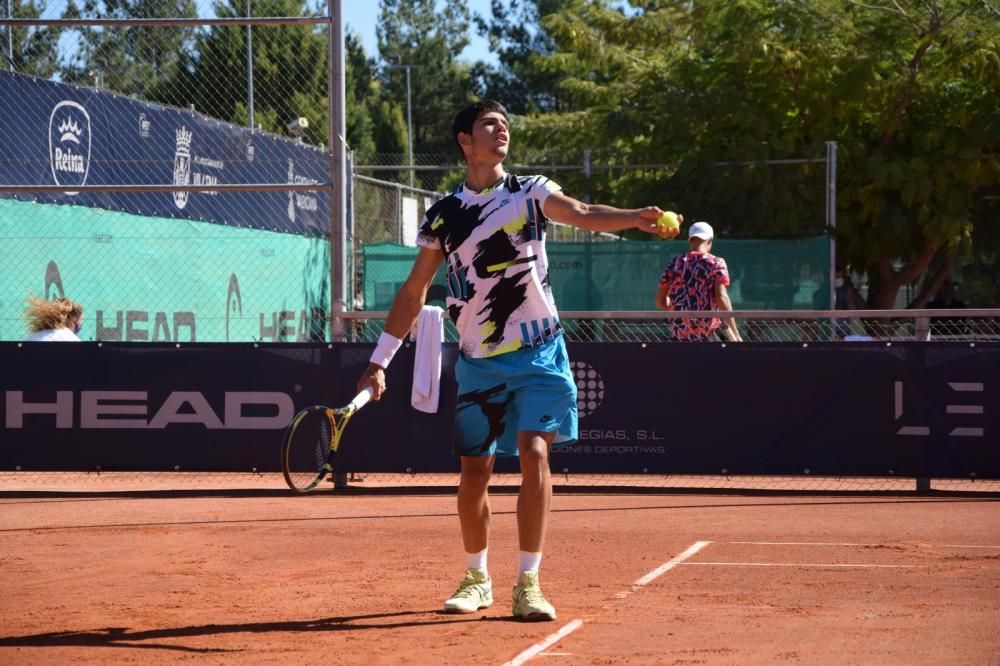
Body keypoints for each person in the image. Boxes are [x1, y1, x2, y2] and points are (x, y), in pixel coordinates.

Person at [356, 99, 676, 621]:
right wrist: (381, 360)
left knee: (534, 454)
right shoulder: (444, 214)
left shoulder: (530, 192)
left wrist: (635, 218)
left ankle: (528, 582)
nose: (500, 130)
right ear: (465, 139)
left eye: (505, 125)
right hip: (479, 360)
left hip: (541, 352)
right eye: (489, 124)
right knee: (475, 471)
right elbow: (414, 292)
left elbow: (583, 213)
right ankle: (476, 577)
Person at [655, 221, 742, 342]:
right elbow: (721, 298)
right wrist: (735, 333)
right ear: (710, 240)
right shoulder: (716, 263)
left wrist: (679, 305)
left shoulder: (674, 264)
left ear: (690, 240)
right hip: (708, 336)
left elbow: (660, 302)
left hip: (679, 337)